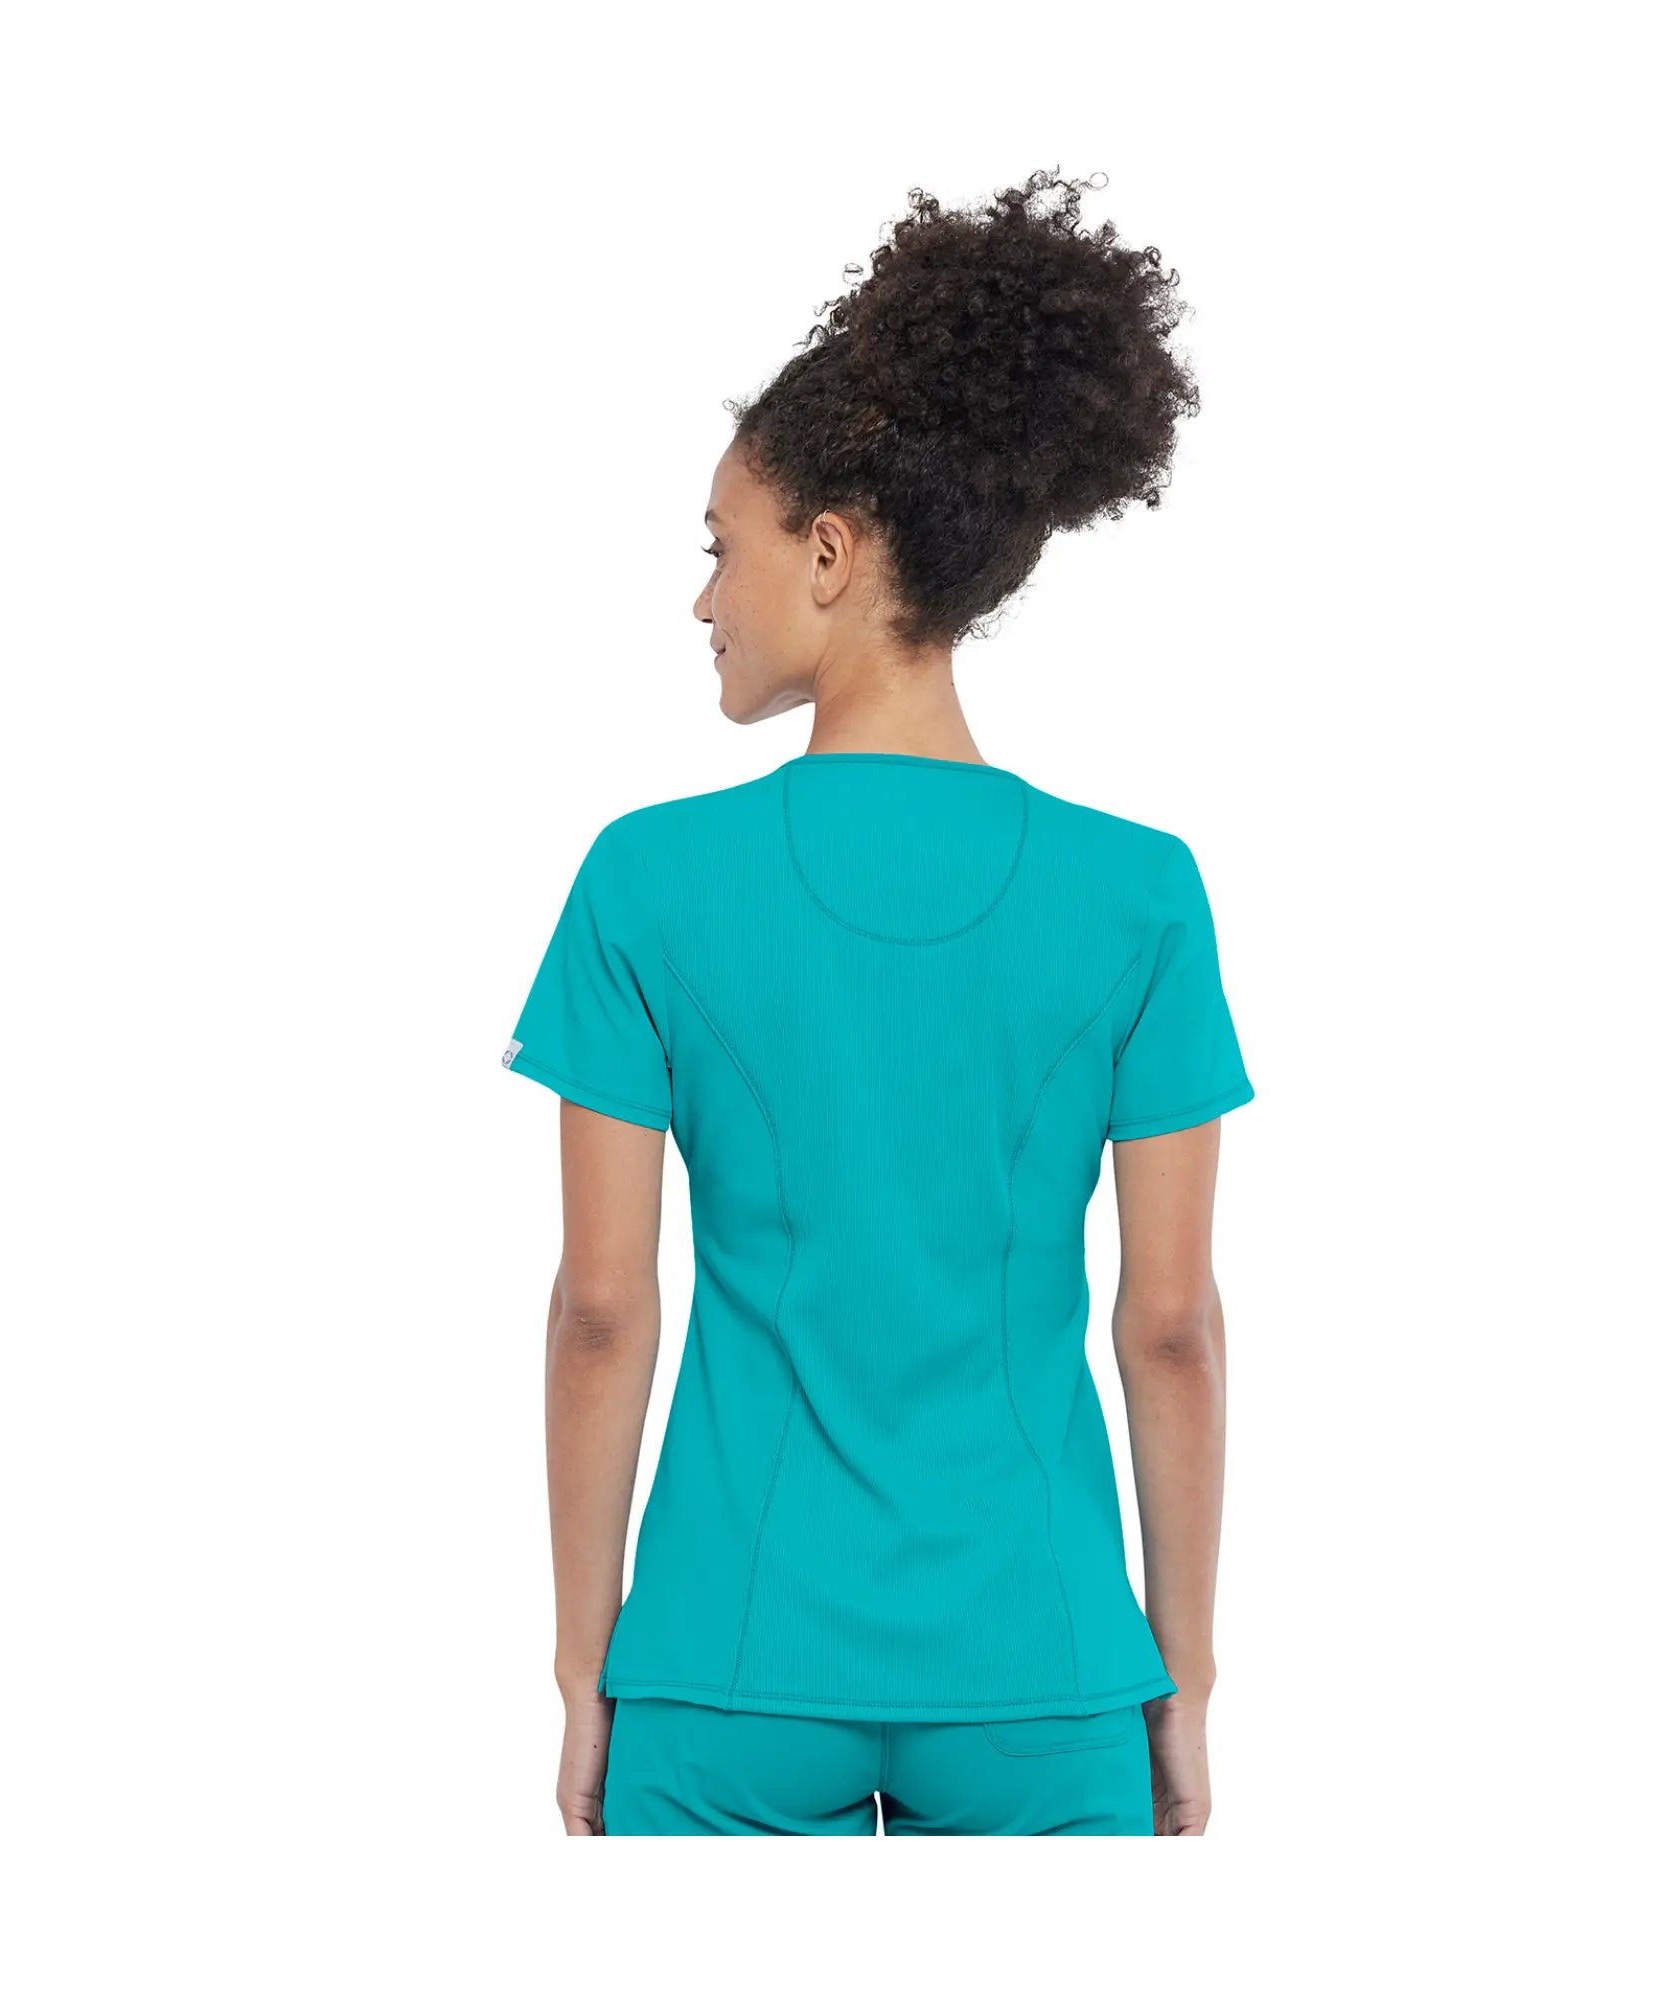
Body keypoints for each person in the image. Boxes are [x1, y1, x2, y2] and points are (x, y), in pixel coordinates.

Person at [503, 169, 1252, 1836]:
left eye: (724, 551)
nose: (705, 600)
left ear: (831, 553)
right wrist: (1183, 1678)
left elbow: (603, 1310)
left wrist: (582, 1666)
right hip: (1044, 1661)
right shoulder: (1139, 894)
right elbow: (1170, 1327)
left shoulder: (646, 881)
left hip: (723, 1662)